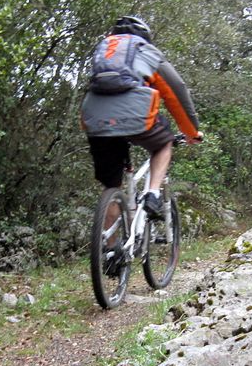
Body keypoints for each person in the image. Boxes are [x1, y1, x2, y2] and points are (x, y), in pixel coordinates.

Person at [81, 16, 202, 229]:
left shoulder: (103, 52)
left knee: (112, 186)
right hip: (135, 115)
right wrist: (191, 132)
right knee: (164, 142)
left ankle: (111, 254)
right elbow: (175, 92)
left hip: (95, 118)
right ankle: (153, 193)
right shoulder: (146, 52)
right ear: (145, 36)